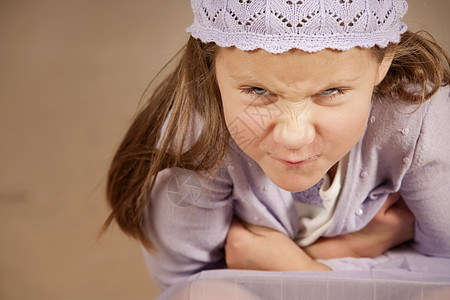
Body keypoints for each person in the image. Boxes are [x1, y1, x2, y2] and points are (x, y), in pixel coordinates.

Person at [103, 0, 450, 290]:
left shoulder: (417, 116)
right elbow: (188, 283)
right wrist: (360, 248)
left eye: (330, 92)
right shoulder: (199, 139)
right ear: (212, 64)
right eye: (258, 92)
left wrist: (297, 263)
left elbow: (442, 266)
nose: (293, 136)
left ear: (384, 61)